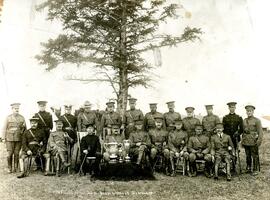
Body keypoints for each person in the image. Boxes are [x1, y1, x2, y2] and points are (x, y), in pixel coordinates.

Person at [2, 103, 26, 173]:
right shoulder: (8, 117)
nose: (17, 110)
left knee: (16, 153)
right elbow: (4, 128)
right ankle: (9, 168)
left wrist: (24, 138)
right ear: (12, 109)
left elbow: (24, 129)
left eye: (18, 109)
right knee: (10, 154)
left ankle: (16, 167)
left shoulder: (22, 117)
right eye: (15, 109)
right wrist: (3, 138)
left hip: (18, 138)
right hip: (9, 138)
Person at [242, 104, 263, 176]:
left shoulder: (257, 120)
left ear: (253, 111)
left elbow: (260, 132)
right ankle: (248, 168)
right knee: (248, 155)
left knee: (254, 155)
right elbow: (242, 130)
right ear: (246, 112)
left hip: (253, 141)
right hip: (246, 141)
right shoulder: (244, 120)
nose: (249, 112)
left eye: (250, 111)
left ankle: (255, 169)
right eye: (247, 111)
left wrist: (259, 141)